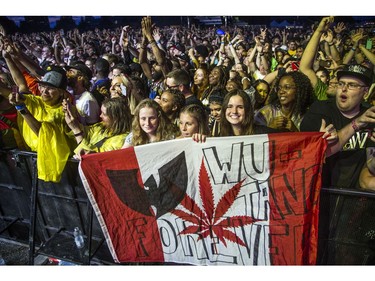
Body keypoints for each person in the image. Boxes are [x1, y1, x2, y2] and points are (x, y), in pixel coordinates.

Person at [300, 64, 375, 189]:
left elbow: (371, 166)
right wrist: (357, 123)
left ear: (365, 92)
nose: (344, 89)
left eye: (352, 85)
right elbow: (317, 153)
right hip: (321, 193)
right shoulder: (320, 109)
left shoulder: (370, 116)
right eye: (341, 83)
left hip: (352, 199)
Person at [63, 97, 132, 160]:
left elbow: (95, 158)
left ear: (116, 118)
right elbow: (86, 132)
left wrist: (76, 130)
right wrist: (71, 114)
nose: (100, 115)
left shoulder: (120, 141)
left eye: (104, 114)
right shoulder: (103, 127)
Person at [66, 61, 101, 125]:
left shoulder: (88, 100)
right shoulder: (70, 94)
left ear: (80, 78)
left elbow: (92, 126)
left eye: (71, 72)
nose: (68, 75)